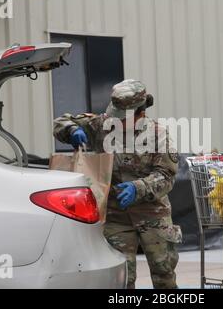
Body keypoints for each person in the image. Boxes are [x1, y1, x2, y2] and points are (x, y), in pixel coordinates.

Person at [53, 79, 182, 289]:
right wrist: (71, 131)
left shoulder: (158, 135)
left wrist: (138, 188)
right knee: (121, 279)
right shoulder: (103, 125)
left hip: (153, 215)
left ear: (140, 113)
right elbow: (61, 122)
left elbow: (166, 176)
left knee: (164, 275)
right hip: (116, 216)